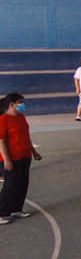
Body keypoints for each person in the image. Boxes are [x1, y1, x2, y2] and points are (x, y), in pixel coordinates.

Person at [0, 93, 42, 225]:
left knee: (22, 183)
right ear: (11, 104)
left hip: (25, 156)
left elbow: (26, 135)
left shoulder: (21, 117)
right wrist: (7, 160)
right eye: (20, 102)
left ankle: (16, 209)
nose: (22, 105)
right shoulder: (3, 119)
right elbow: (2, 141)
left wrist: (33, 151)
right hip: (12, 158)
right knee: (10, 185)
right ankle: (2, 212)